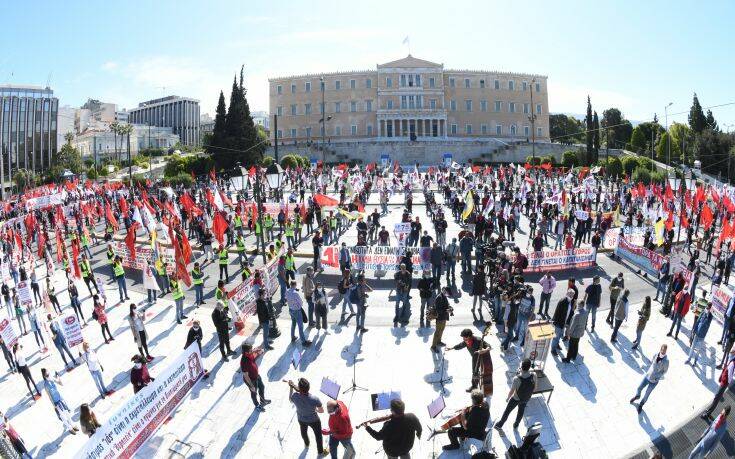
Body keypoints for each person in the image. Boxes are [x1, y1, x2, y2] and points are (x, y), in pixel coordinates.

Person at [287, 378, 328, 456]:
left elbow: (290, 399)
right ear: (308, 387)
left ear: (299, 388)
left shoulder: (295, 396)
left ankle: (307, 444)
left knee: (304, 432)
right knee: (318, 436)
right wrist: (315, 410)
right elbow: (322, 411)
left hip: (301, 419)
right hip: (314, 420)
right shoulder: (314, 399)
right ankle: (320, 452)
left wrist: (291, 387)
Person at [494, 358, 537, 430]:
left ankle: (500, 424)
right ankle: (516, 425)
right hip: (526, 398)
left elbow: (512, 391)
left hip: (516, 398)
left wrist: (508, 398)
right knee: (521, 411)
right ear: (529, 367)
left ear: (521, 366)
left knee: (507, 411)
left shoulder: (517, 378)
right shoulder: (534, 375)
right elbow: (535, 388)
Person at [630, 344, 669, 413]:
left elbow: (664, 371)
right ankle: (637, 396)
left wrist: (657, 377)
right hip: (647, 376)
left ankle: (641, 404)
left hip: (654, 381)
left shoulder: (666, 361)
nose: (663, 351)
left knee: (647, 394)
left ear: (666, 351)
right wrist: (645, 367)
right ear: (660, 349)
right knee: (639, 388)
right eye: (662, 350)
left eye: (664, 351)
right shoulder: (655, 354)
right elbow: (651, 363)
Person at [40, 368, 79, 434]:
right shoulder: (46, 385)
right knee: (62, 416)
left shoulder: (52, 379)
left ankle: (72, 425)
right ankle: (70, 428)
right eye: (47, 375)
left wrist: (58, 377)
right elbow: (49, 396)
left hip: (60, 398)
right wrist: (54, 405)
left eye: (48, 374)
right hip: (56, 402)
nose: (48, 376)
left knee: (67, 413)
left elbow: (61, 384)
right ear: (44, 376)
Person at [701, 348, 735, 420]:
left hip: (725, 382)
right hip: (724, 379)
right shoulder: (731, 358)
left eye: (732, 350)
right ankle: (709, 411)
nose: (731, 350)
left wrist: (727, 382)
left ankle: (708, 413)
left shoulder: (733, 362)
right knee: (717, 396)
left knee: (717, 397)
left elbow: (730, 375)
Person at [240, 343, 271, 412]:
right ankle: (257, 405)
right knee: (254, 392)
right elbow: (246, 375)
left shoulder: (249, 353)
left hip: (256, 375)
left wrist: (258, 350)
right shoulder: (243, 361)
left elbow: (254, 350)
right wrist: (251, 386)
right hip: (251, 380)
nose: (252, 351)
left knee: (262, 387)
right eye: (250, 350)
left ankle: (262, 401)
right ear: (246, 352)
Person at [286, 281, 311, 346]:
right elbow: (301, 302)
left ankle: (293, 336)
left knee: (293, 324)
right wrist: (299, 306)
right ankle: (303, 341)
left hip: (291, 310)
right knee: (300, 326)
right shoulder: (295, 293)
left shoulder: (287, 291)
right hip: (297, 310)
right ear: (295, 285)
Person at [551, 290, 574, 356]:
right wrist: (555, 322)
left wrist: (567, 322)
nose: (571, 296)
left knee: (560, 335)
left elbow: (570, 313)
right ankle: (553, 350)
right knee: (556, 337)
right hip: (559, 323)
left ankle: (557, 345)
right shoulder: (562, 301)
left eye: (572, 295)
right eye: (570, 294)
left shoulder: (570, 302)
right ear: (567, 293)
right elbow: (557, 312)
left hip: (564, 322)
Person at [431, 287, 453, 353]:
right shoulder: (439, 298)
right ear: (444, 291)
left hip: (444, 317)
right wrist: (447, 310)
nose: (448, 295)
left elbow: (447, 304)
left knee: (441, 330)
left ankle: (438, 341)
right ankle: (433, 346)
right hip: (440, 318)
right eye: (447, 293)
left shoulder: (444, 296)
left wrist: (450, 307)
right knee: (437, 332)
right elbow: (438, 310)